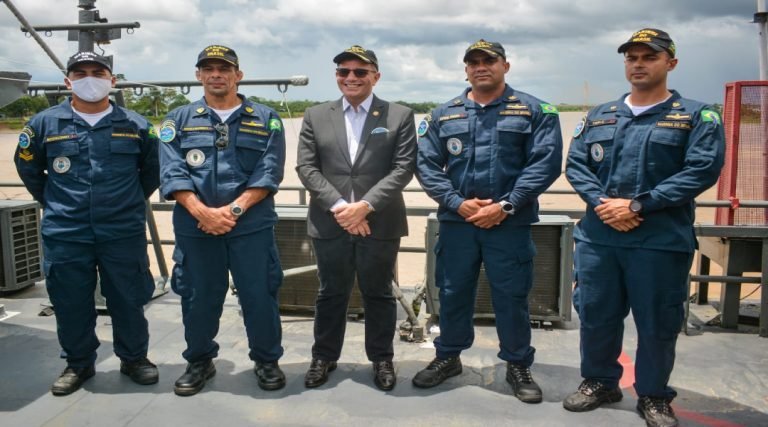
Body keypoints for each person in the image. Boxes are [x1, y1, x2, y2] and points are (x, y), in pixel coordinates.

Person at [563, 29, 724, 427]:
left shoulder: (696, 116)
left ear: (670, 63)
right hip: (600, 238)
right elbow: (577, 166)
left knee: (657, 321)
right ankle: (600, 381)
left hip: (658, 240)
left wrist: (638, 205)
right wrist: (604, 205)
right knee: (597, 315)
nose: (638, 64)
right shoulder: (600, 115)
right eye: (631, 58)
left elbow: (702, 169)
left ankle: (653, 395)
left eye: (648, 57)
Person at [414, 39, 562, 403]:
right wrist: (456, 203)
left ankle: (517, 364)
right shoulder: (442, 114)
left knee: (512, 297)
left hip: (508, 224)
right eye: (474, 62)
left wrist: (507, 205)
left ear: (505, 66)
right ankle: (448, 357)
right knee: (451, 292)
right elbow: (426, 164)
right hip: (457, 223)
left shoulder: (534, 111)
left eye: (489, 60)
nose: (481, 66)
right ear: (466, 69)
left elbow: (545, 163)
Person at [14, 51, 160, 396]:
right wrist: (56, 203)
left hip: (121, 230)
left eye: (98, 72)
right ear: (68, 82)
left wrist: (122, 203)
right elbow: (29, 171)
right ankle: (78, 363)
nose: (89, 79)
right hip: (66, 231)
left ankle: (134, 358)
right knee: (70, 300)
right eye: (80, 74)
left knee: (128, 297)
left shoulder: (136, 126)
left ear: (112, 80)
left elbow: (152, 173)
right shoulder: (43, 125)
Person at [159, 45, 286, 396]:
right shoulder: (177, 120)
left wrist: (231, 212)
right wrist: (202, 212)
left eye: (224, 68)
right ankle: (199, 360)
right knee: (198, 297)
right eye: (208, 68)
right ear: (198, 75)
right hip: (196, 228)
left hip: (251, 227)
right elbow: (172, 172)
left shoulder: (266, 118)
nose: (217, 74)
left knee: (259, 295)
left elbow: (269, 171)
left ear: (238, 75)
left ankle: (266, 360)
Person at [296, 45, 416, 391]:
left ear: (375, 76)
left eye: (360, 72)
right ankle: (324, 357)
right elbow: (306, 167)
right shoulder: (316, 115)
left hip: (379, 220)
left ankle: (381, 359)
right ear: (336, 77)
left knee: (378, 293)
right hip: (329, 220)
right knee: (330, 292)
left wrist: (364, 206)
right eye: (343, 72)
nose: (351, 78)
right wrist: (340, 208)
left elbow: (403, 167)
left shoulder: (399, 115)